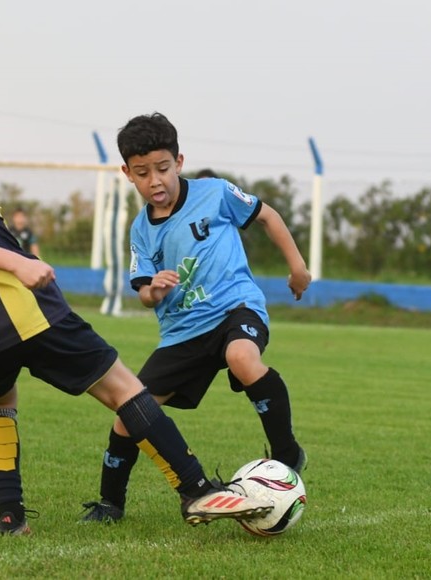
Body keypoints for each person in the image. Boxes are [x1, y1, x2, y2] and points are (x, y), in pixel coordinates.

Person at [0, 77, 273, 535]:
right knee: (124, 388)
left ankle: (10, 517)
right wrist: (20, 264)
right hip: (25, 314)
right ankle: (195, 490)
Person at [81, 112, 311, 523]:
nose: (156, 181)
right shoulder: (140, 231)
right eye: (142, 172)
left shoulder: (216, 193)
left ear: (179, 162)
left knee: (243, 359)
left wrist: (297, 267)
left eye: (163, 169)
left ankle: (287, 453)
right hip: (182, 334)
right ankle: (110, 504)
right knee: (130, 414)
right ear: (127, 174)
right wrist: (155, 290)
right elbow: (144, 296)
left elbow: (267, 216)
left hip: (234, 307)